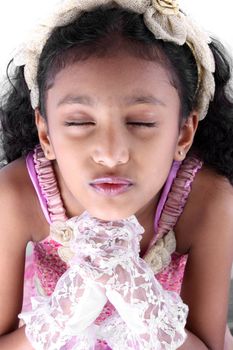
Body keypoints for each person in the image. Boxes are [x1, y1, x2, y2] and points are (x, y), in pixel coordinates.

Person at [0, 0, 233, 348]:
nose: (111, 154)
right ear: (46, 134)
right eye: (79, 122)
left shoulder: (210, 201)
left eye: (141, 122)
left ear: (183, 134)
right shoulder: (13, 196)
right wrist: (60, 317)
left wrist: (142, 304)